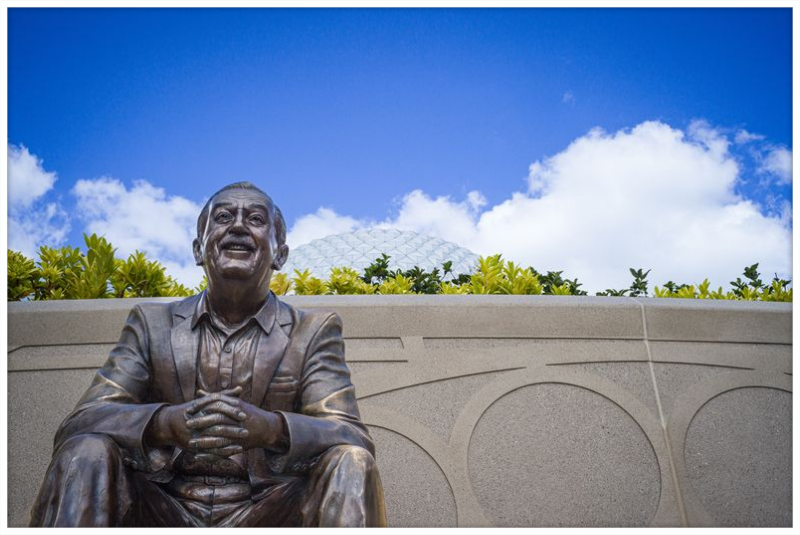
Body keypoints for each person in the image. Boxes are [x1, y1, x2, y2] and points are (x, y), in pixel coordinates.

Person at [30, 182, 387, 527]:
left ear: (280, 254)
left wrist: (271, 428)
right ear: (199, 249)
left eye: (256, 219)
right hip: (161, 507)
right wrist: (165, 423)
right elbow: (82, 421)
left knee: (351, 460)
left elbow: (350, 434)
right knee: (85, 449)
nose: (238, 227)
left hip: (271, 510)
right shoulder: (152, 324)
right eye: (223, 217)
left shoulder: (312, 330)